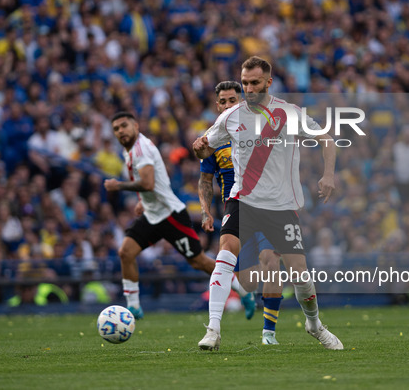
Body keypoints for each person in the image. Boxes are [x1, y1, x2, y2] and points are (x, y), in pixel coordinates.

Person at [193, 56, 343, 350]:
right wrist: (198, 147)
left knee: (299, 272)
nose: (248, 89)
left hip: (281, 205)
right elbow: (204, 149)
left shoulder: (289, 114)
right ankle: (213, 330)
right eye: (245, 83)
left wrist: (328, 175)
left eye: (255, 83)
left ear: (268, 83)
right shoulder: (230, 116)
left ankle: (314, 325)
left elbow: (327, 139)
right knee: (226, 252)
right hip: (243, 199)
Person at [103, 111, 251, 319]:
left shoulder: (141, 149)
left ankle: (241, 289)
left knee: (198, 261)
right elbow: (150, 182)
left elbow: (148, 183)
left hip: (170, 215)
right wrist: (142, 201)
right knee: (125, 252)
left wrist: (118, 185)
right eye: (116, 129)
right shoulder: (129, 151)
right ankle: (134, 308)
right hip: (153, 214)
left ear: (135, 126)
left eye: (124, 126)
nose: (120, 131)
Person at [198, 81, 283, 345]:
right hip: (236, 207)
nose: (226, 106)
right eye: (222, 101)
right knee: (246, 279)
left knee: (271, 261)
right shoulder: (213, 139)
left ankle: (268, 333)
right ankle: (236, 303)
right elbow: (204, 180)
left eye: (231, 100)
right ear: (217, 105)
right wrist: (205, 212)